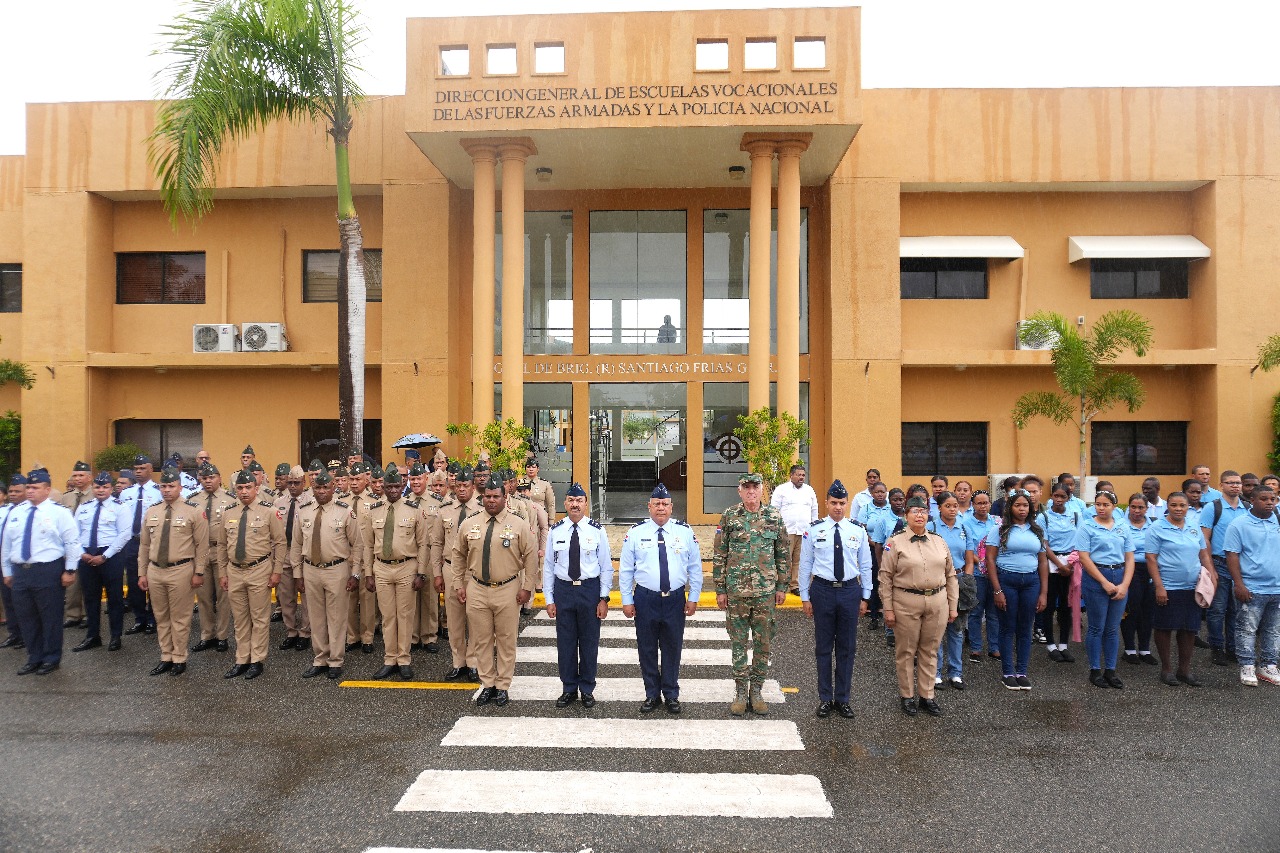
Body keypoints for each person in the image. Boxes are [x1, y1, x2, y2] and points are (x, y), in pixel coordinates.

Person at [452, 474, 537, 707]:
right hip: (477, 588)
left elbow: (531, 557)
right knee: (481, 640)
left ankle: (503, 686)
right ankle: (488, 684)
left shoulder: (518, 523)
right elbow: (458, 555)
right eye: (487, 496)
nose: (491, 501)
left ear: (504, 497)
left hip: (507, 589)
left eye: (495, 496)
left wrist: (527, 587)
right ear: (483, 497)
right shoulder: (469, 523)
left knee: (507, 641)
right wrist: (459, 584)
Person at [619, 483, 702, 714]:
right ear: (649, 507)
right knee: (646, 648)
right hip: (645, 599)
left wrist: (693, 596)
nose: (661, 508)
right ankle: (651, 694)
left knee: (672, 648)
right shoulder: (636, 533)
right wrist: (626, 599)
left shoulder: (684, 532)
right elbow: (626, 569)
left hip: (675, 599)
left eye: (665, 504)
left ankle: (671, 694)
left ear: (671, 507)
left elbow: (695, 567)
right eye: (657, 504)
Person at [714, 472, 789, 716]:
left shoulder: (774, 517)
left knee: (763, 644)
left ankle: (756, 690)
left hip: (765, 593)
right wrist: (720, 589)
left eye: (755, 487)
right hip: (736, 592)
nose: (751, 492)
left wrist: (781, 586)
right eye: (746, 488)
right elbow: (720, 554)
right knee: (738, 643)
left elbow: (782, 554)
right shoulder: (729, 516)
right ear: (740, 491)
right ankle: (739, 691)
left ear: (761, 490)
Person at [799, 479, 872, 719]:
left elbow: (865, 565)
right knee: (823, 647)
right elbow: (805, 564)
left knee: (847, 647)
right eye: (833, 503)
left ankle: (842, 699)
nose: (838, 507)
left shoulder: (857, 530)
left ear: (847, 503)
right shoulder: (814, 529)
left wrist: (866, 595)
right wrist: (804, 596)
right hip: (823, 590)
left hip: (850, 591)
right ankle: (824, 698)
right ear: (826, 503)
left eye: (842, 503)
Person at [879, 496, 958, 717]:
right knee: (906, 651)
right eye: (914, 511)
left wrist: (953, 606)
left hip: (937, 601)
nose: (919, 515)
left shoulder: (939, 541)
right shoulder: (895, 542)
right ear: (906, 515)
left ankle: (927, 695)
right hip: (906, 601)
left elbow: (950, 575)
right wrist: (888, 608)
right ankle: (907, 696)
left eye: (923, 511)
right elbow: (885, 578)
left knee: (930, 649)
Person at [2, 469, 81, 675]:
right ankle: (34, 656)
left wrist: (70, 569)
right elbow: (8, 545)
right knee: (26, 617)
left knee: (50, 617)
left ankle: (51, 657)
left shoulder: (59, 512)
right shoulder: (17, 512)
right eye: (28, 487)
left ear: (47, 490)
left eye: (35, 488)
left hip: (47, 570)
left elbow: (72, 542)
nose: (30, 491)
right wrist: (7, 571)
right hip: (21, 571)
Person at [543, 483, 612, 709]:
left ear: (585, 504)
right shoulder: (556, 530)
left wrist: (603, 598)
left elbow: (606, 567)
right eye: (571, 500)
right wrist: (550, 599)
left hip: (589, 590)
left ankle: (587, 688)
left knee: (589, 643)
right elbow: (548, 568)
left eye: (579, 500)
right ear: (565, 503)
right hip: (564, 591)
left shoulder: (597, 531)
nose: (575, 504)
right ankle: (569, 688)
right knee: (566, 643)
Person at [290, 470, 361, 681]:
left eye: (326, 487)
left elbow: (357, 545)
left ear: (333, 488)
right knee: (316, 617)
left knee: (337, 617)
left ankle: (336, 660)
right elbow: (296, 544)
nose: (322, 491)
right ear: (313, 489)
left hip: (336, 570)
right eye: (318, 488)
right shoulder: (303, 511)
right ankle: (320, 658)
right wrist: (297, 574)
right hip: (311, 569)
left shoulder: (345, 511)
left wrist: (355, 573)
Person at [137, 468, 209, 677]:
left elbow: (201, 545)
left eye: (171, 486)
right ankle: (165, 655)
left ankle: (179, 657)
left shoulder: (194, 510)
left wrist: (199, 572)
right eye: (163, 486)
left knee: (180, 617)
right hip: (155, 570)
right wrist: (142, 573)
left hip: (181, 570)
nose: (167, 490)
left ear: (180, 487)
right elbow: (144, 545)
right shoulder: (152, 511)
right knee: (161, 616)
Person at [215, 470, 285, 680]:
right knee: (240, 618)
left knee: (260, 618)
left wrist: (277, 571)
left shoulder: (269, 512)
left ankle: (257, 660)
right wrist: (222, 572)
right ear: (235, 489)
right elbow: (221, 544)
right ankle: (241, 659)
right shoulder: (228, 513)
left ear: (256, 488)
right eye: (240, 488)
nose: (244, 492)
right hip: (235, 571)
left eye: (248, 488)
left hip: (259, 569)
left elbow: (280, 543)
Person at [361, 466, 428, 681]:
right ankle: (390, 659)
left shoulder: (413, 508)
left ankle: (404, 659)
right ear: (383, 487)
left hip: (406, 567)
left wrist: (421, 573)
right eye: (388, 486)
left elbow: (423, 543)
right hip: (381, 567)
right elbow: (368, 545)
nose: (392, 490)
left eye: (396, 486)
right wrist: (368, 573)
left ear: (402, 486)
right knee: (388, 617)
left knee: (405, 616)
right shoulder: (375, 510)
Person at [1145, 492, 1214, 687]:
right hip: (1167, 586)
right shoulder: (1157, 528)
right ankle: (1166, 669)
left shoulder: (1193, 526)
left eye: (1182, 505)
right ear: (1168, 506)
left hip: (1192, 586)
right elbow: (1151, 558)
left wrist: (1211, 577)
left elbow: (1204, 555)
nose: (1178, 509)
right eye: (1174, 505)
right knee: (1164, 627)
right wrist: (1159, 586)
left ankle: (1184, 669)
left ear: (1187, 507)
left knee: (1189, 629)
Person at [985, 490, 1048, 690]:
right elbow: (990, 560)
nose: (1022, 509)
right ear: (1010, 507)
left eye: (1026, 506)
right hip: (1007, 580)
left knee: (1025, 627)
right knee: (1007, 626)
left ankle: (1021, 671)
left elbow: (1042, 561)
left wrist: (1044, 592)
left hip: (1031, 581)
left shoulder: (1036, 530)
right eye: (1018, 505)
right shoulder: (1000, 529)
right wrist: (997, 590)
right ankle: (1007, 672)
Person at [1074, 490, 1135, 689]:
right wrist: (1104, 582)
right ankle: (1095, 669)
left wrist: (1125, 584)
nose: (1101, 508)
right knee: (1096, 627)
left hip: (1119, 574)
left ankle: (1110, 669)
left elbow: (1130, 557)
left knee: (1112, 628)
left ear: (1114, 507)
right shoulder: (1087, 526)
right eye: (1098, 504)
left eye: (1106, 504)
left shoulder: (1122, 527)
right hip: (1096, 578)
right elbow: (1084, 557)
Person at [1224, 485, 1280, 687]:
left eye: (1272, 499)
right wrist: (1238, 584)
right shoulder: (1239, 524)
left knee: (1273, 630)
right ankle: (1247, 666)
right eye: (1264, 499)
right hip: (1252, 587)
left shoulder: (1278, 520)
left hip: (1277, 588)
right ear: (1253, 501)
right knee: (1247, 629)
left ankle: (1268, 665)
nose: (1270, 503)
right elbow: (1231, 554)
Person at [72, 472, 131, 653]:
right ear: (93, 488)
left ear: (111, 489)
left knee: (114, 598)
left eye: (105, 487)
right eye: (97, 487)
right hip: (87, 556)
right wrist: (82, 554)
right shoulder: (84, 507)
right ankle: (93, 636)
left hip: (110, 556)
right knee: (90, 598)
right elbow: (74, 533)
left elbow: (124, 534)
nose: (100, 490)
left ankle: (115, 636)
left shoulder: (120, 507)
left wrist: (105, 556)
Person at [1202, 470, 1248, 665]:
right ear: (1221, 485)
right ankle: (1217, 648)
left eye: (1238, 483)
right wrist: (1210, 568)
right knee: (1217, 609)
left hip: (1241, 565)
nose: (1235, 486)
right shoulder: (1213, 508)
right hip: (1219, 562)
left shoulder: (1247, 507)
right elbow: (1204, 539)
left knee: (1236, 610)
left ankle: (1232, 648)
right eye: (1230, 483)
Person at [191, 464, 237, 653]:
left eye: (212, 477)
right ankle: (206, 635)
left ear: (219, 478)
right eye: (205, 477)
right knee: (203, 597)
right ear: (200, 479)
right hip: (200, 552)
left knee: (223, 596)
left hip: (221, 551)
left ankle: (222, 636)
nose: (208, 481)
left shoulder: (230, 500)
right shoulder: (193, 501)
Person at [440, 467, 480, 680]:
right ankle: (458, 662)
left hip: (473, 571)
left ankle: (473, 662)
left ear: (473, 487)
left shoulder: (481, 510)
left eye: (466, 486)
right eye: (458, 486)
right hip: (450, 568)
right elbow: (436, 542)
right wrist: (437, 573)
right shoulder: (445, 509)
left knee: (474, 618)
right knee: (454, 619)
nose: (462, 489)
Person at [928, 491, 971, 689]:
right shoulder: (932, 527)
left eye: (955, 506)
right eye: (948, 506)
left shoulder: (964, 527)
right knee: (937, 629)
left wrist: (967, 578)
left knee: (957, 628)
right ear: (939, 507)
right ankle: (935, 673)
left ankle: (956, 673)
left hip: (960, 580)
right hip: (938, 582)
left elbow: (969, 556)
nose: (953, 509)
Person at [1037, 483, 1081, 664]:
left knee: (1066, 605)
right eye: (1056, 495)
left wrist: (1069, 564)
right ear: (1051, 496)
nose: (1059, 499)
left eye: (1063, 496)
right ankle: (1050, 645)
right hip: (1051, 563)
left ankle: (1064, 644)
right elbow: (1044, 544)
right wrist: (1058, 564)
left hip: (1071, 563)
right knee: (1049, 605)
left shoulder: (1076, 516)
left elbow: (1080, 540)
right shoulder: (1044, 517)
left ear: (1068, 498)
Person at [120, 454, 163, 635]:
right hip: (132, 542)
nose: (138, 472)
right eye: (136, 469)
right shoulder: (126, 493)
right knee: (133, 580)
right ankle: (140, 619)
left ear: (150, 469)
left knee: (153, 580)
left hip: (153, 542)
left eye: (142, 468)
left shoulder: (159, 491)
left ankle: (153, 619)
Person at [408, 467, 447, 654]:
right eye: (412, 479)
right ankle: (413, 637)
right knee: (411, 597)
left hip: (431, 555)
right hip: (411, 555)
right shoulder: (405, 501)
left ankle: (429, 636)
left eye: (419, 478)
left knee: (430, 598)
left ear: (426, 478)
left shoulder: (438, 502)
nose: (416, 482)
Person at [273, 467, 312, 653]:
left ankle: (305, 633)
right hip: (284, 553)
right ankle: (291, 631)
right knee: (286, 596)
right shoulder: (278, 502)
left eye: (297, 483)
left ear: (304, 482)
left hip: (304, 554)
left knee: (305, 597)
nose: (293, 486)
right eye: (290, 483)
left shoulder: (311, 502)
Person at [1119, 494, 1158, 666]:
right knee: (1131, 609)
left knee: (1148, 611)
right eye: (1133, 507)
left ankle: (1144, 649)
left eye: (1140, 507)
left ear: (1146, 509)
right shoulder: (1121, 526)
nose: (1136, 511)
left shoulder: (1154, 526)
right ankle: (1129, 649)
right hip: (1130, 569)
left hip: (1150, 569)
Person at [770, 464, 819, 596]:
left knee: (799, 560)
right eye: (798, 475)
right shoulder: (781, 490)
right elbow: (774, 510)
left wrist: (813, 528)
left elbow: (814, 510)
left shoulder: (809, 491)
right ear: (791, 475)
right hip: (786, 531)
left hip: (804, 532)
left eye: (803, 475)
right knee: (783, 559)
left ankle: (795, 585)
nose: (801, 477)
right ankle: (781, 585)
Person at [964, 490, 1001, 662]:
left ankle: (994, 647)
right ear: (973, 505)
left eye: (985, 502)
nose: (983, 506)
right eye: (979, 503)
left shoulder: (996, 522)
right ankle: (976, 647)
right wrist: (982, 562)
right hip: (977, 573)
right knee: (976, 612)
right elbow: (968, 547)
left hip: (994, 574)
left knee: (994, 613)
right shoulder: (966, 523)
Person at [868, 487, 907, 643]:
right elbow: (878, 544)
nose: (898, 502)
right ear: (889, 501)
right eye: (895, 499)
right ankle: (889, 629)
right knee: (889, 595)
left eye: (901, 499)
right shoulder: (883, 519)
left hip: (906, 563)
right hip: (888, 562)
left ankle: (903, 627)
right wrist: (881, 564)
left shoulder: (909, 517)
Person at [58, 460, 94, 629]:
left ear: (89, 477)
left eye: (81, 475)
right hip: (69, 546)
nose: (77, 478)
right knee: (72, 583)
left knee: (88, 582)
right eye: (75, 475)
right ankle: (73, 614)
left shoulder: (96, 495)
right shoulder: (67, 497)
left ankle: (88, 614)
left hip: (87, 546)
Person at [0, 475, 27, 650]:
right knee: (8, 599)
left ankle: (26, 635)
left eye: (18, 491)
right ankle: (14, 633)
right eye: (11, 491)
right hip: (4, 560)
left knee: (23, 602)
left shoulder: (28, 512)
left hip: (21, 561)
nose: (13, 494)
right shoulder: (4, 511)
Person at [524, 457, 557, 523]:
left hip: (540, 519)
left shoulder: (544, 484)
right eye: (528, 467)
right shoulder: (520, 483)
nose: (531, 469)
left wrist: (551, 520)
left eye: (533, 467)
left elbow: (551, 504)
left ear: (538, 469)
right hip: (525, 518)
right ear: (525, 469)